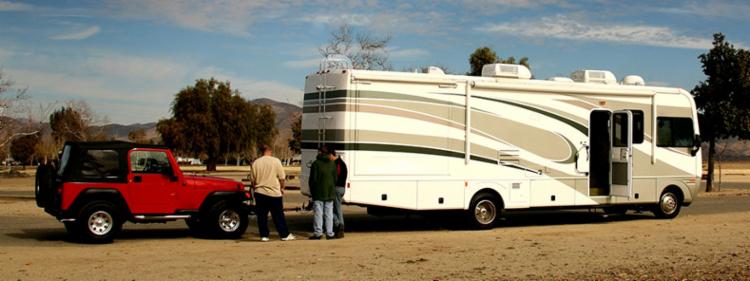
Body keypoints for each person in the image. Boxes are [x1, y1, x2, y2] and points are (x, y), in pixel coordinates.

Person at [250, 144, 295, 242]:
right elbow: (282, 177)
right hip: (274, 192)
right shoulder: (276, 161)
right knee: (278, 215)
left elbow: (253, 180)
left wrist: (255, 188)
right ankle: (284, 234)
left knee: (262, 216)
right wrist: (282, 187)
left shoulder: (256, 163)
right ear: (270, 151)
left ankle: (264, 235)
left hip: (260, 192)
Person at [308, 145, 337, 240]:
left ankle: (318, 233)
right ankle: (330, 233)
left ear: (320, 152)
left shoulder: (316, 164)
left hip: (318, 192)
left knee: (318, 213)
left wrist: (312, 191)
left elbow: (313, 180)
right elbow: (335, 178)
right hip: (330, 192)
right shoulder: (332, 164)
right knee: (329, 213)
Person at [331, 148, 348, 238]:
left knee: (334, 209)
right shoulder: (342, 163)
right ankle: (339, 226)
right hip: (342, 188)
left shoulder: (336, 164)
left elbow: (336, 177)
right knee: (336, 209)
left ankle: (339, 225)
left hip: (337, 188)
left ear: (331, 155)